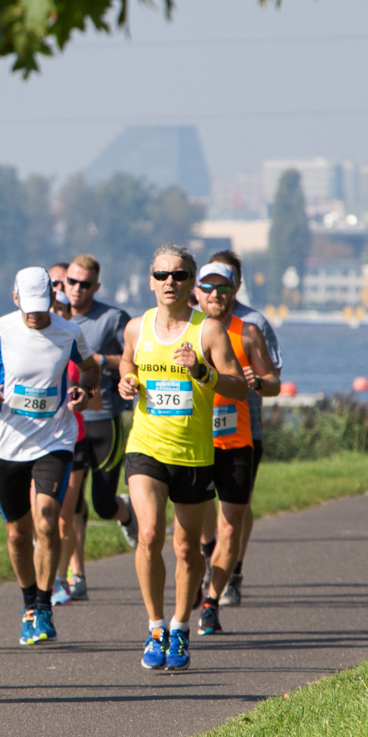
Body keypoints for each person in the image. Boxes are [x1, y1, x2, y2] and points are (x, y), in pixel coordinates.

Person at [117, 244, 248, 671]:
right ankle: (155, 626)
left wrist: (202, 372)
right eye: (160, 275)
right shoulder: (137, 328)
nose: (168, 282)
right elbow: (126, 362)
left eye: (177, 275)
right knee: (151, 534)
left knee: (188, 548)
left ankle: (180, 626)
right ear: (150, 280)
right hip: (146, 448)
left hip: (193, 454)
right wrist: (126, 381)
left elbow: (236, 386)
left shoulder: (208, 330)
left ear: (191, 283)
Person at [0, 267, 99, 645]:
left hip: (54, 439)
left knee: (46, 519)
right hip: (7, 444)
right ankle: (28, 603)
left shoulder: (68, 331)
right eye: (30, 306)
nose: (37, 314)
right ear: (15, 298)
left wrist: (84, 393)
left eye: (44, 306)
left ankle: (44, 604)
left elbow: (89, 370)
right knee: (18, 533)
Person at [190, 261, 278, 636]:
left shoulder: (249, 331)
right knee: (193, 530)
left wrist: (256, 381)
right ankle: (202, 571)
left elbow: (274, 382)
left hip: (236, 440)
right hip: (193, 442)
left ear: (234, 291)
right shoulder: (186, 331)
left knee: (231, 528)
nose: (215, 295)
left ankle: (211, 603)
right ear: (196, 292)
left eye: (222, 288)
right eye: (207, 288)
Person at [62, 255, 140, 566]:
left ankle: (126, 513)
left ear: (96, 286)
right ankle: (74, 576)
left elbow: (132, 360)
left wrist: (98, 360)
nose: (77, 289)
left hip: (104, 418)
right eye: (72, 282)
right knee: (71, 502)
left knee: (103, 504)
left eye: (85, 284)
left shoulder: (112, 318)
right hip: (69, 422)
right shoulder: (54, 317)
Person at [48, 265, 100, 605]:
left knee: (65, 516)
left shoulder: (78, 350)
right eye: (54, 308)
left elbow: (95, 398)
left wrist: (83, 398)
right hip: (37, 442)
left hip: (74, 441)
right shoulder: (31, 347)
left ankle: (58, 578)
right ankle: (48, 571)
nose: (57, 314)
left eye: (64, 310)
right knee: (42, 516)